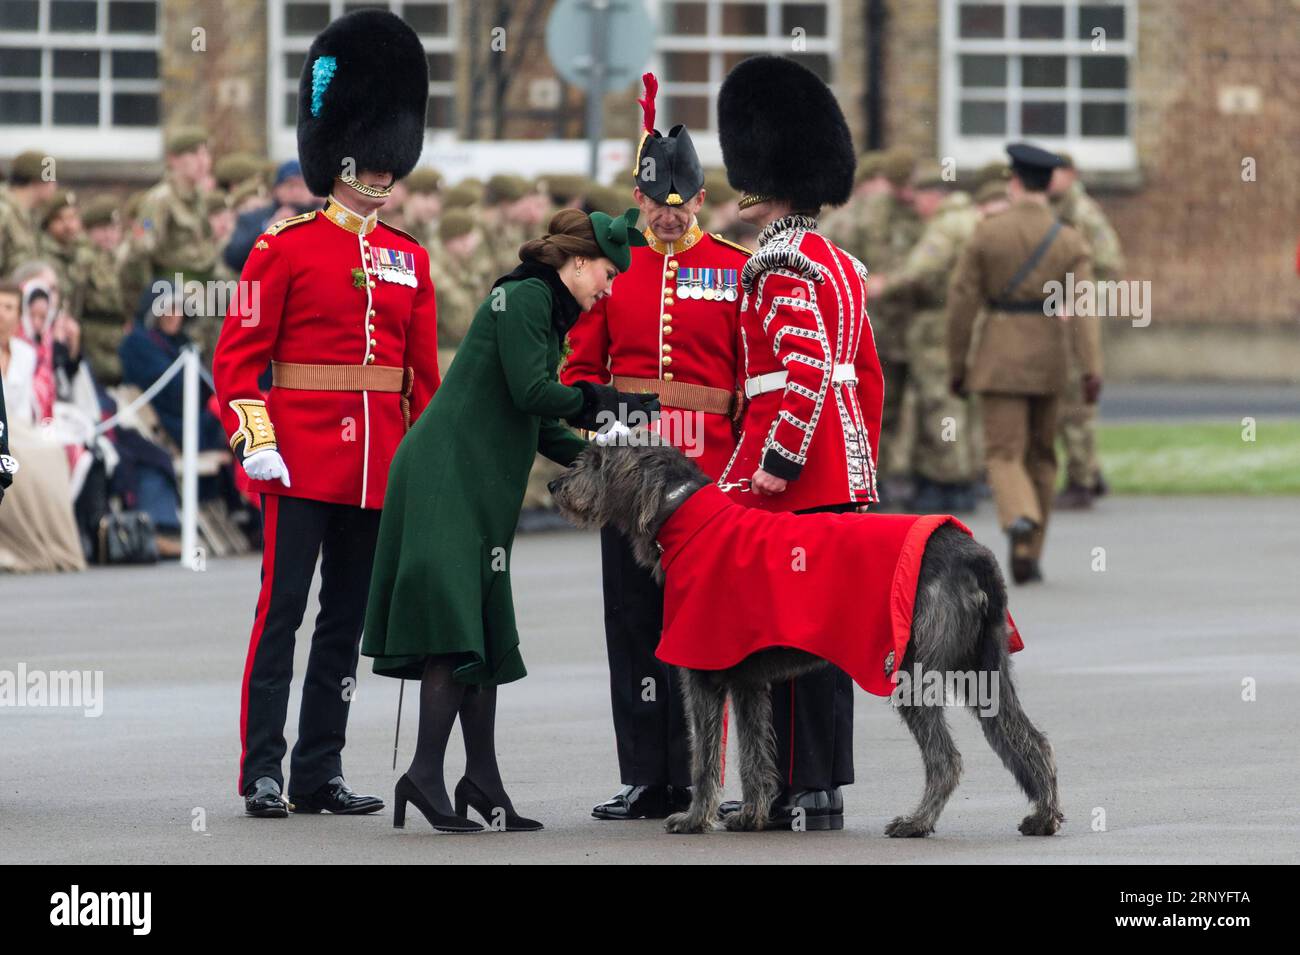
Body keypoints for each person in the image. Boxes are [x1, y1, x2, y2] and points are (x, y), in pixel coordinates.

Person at [212, 9, 442, 819]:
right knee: (281, 615)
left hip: (376, 469)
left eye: (389, 166)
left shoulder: (410, 259)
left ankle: (320, 767)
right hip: (301, 456)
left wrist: (426, 469)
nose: (381, 178)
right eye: (370, 165)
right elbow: (237, 360)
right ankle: (264, 769)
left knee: (344, 626)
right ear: (340, 158)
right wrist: (256, 438)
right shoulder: (284, 247)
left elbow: (422, 383)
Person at [363, 208, 657, 833]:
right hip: (446, 475)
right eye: (606, 273)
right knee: (455, 627)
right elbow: (531, 392)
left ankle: (482, 781)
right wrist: (607, 401)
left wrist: (612, 458)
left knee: (485, 632)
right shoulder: (524, 297)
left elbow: (539, 423)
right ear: (576, 263)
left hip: (477, 481)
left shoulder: (545, 311)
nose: (608, 288)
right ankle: (422, 774)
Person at [560, 72, 751, 822]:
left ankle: (704, 775)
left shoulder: (735, 271)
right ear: (638, 199)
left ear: (699, 200)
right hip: (633, 473)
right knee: (633, 621)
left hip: (707, 476)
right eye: (653, 207)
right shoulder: (617, 267)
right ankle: (647, 772)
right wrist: (606, 433)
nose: (666, 220)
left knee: (707, 626)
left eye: (680, 208)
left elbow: (749, 380)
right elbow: (580, 370)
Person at [714, 55, 885, 831]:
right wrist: (859, 466)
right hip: (841, 469)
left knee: (786, 634)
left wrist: (775, 461)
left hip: (797, 473)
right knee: (829, 634)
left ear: (766, 181)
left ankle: (795, 782)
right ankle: (822, 784)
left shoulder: (777, 263)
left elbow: (805, 370)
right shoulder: (841, 263)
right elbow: (866, 380)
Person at [946, 142, 1103, 584]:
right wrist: (1092, 368)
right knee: (1041, 456)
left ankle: (1019, 515)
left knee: (1002, 451)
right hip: (1050, 358)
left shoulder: (987, 233)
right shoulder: (1070, 239)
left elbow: (961, 305)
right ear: (1050, 185)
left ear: (1013, 181)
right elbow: (1085, 309)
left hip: (998, 354)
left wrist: (956, 365)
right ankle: (1028, 553)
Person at [871, 163, 982, 513]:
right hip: (969, 319)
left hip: (937, 323)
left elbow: (920, 269)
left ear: (933, 195)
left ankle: (947, 483)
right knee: (959, 403)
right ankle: (962, 480)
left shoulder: (946, 226)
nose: (915, 204)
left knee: (939, 403)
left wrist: (881, 285)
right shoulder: (974, 218)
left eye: (919, 196)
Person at [1050, 152, 1123, 508]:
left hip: (1076, 318)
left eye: (1057, 172)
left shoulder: (1083, 214)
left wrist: (1077, 303)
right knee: (1063, 397)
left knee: (1077, 399)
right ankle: (1090, 472)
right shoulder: (1055, 208)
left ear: (1071, 174)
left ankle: (1082, 480)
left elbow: (1110, 267)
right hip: (1055, 316)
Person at [0, 280, 84, 572]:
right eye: (0, 306)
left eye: (10, 307)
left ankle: (52, 541)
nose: (4, 313)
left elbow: (27, 406)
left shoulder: (27, 353)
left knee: (51, 452)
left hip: (19, 426)